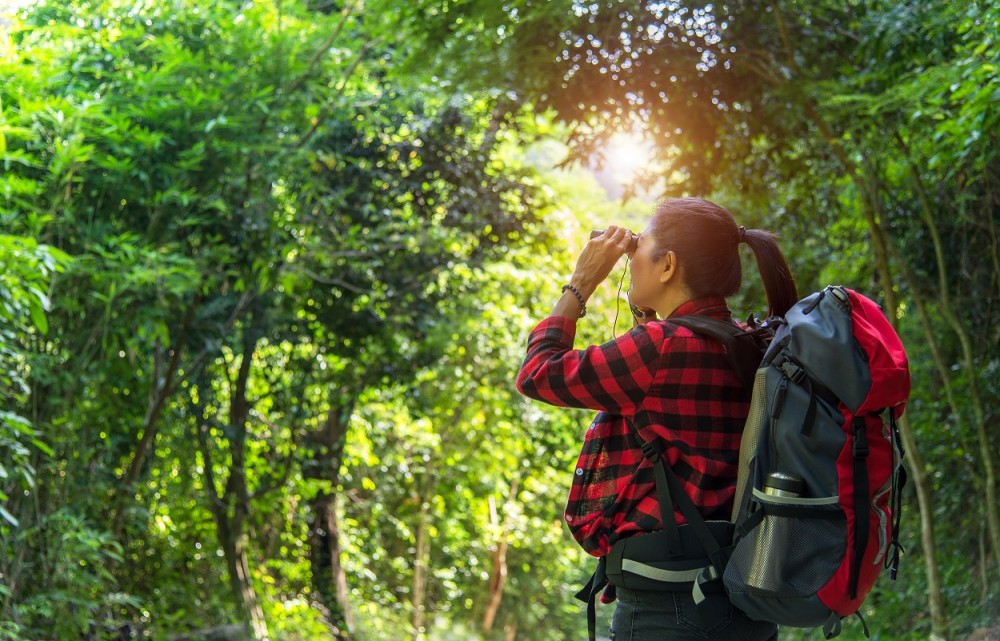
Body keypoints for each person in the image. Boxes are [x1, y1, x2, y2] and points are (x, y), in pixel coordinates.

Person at [515, 197, 798, 641]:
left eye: (641, 246)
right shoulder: (754, 341)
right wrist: (649, 304)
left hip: (667, 612)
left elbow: (537, 374)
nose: (634, 256)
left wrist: (580, 285)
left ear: (667, 266)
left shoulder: (660, 348)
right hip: (745, 604)